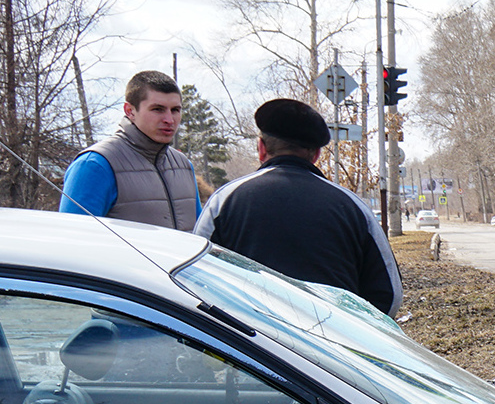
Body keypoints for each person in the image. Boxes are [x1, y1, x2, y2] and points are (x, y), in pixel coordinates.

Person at [195, 99, 403, 316]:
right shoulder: (353, 207)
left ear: (261, 148)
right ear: (316, 155)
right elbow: (389, 293)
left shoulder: (225, 200)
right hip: (332, 343)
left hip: (249, 342)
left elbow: (197, 275)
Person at [59, 70, 199, 230]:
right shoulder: (95, 165)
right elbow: (73, 241)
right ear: (130, 111)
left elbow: (199, 236)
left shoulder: (183, 166)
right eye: (158, 109)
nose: (169, 119)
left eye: (175, 110)